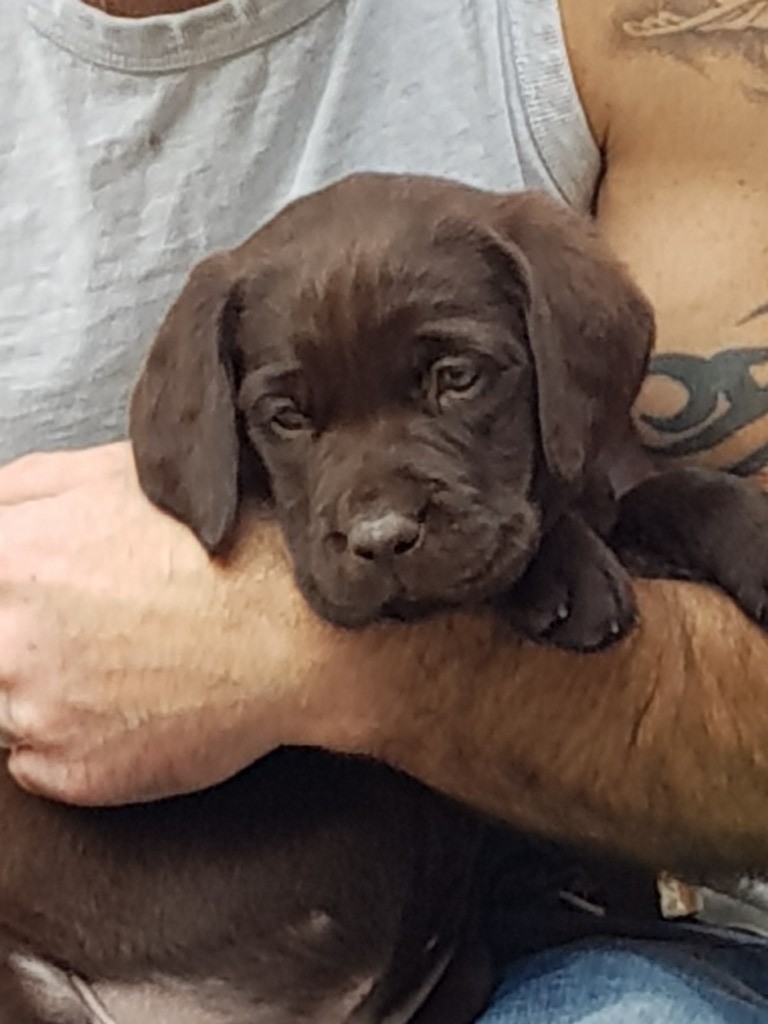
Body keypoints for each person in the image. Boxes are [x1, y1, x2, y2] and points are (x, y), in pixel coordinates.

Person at [4, 0, 768, 1019]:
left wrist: (291, 655)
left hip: (512, 948)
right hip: (73, 938)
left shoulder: (612, 35)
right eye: (291, 416)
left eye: (454, 380)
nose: (377, 521)